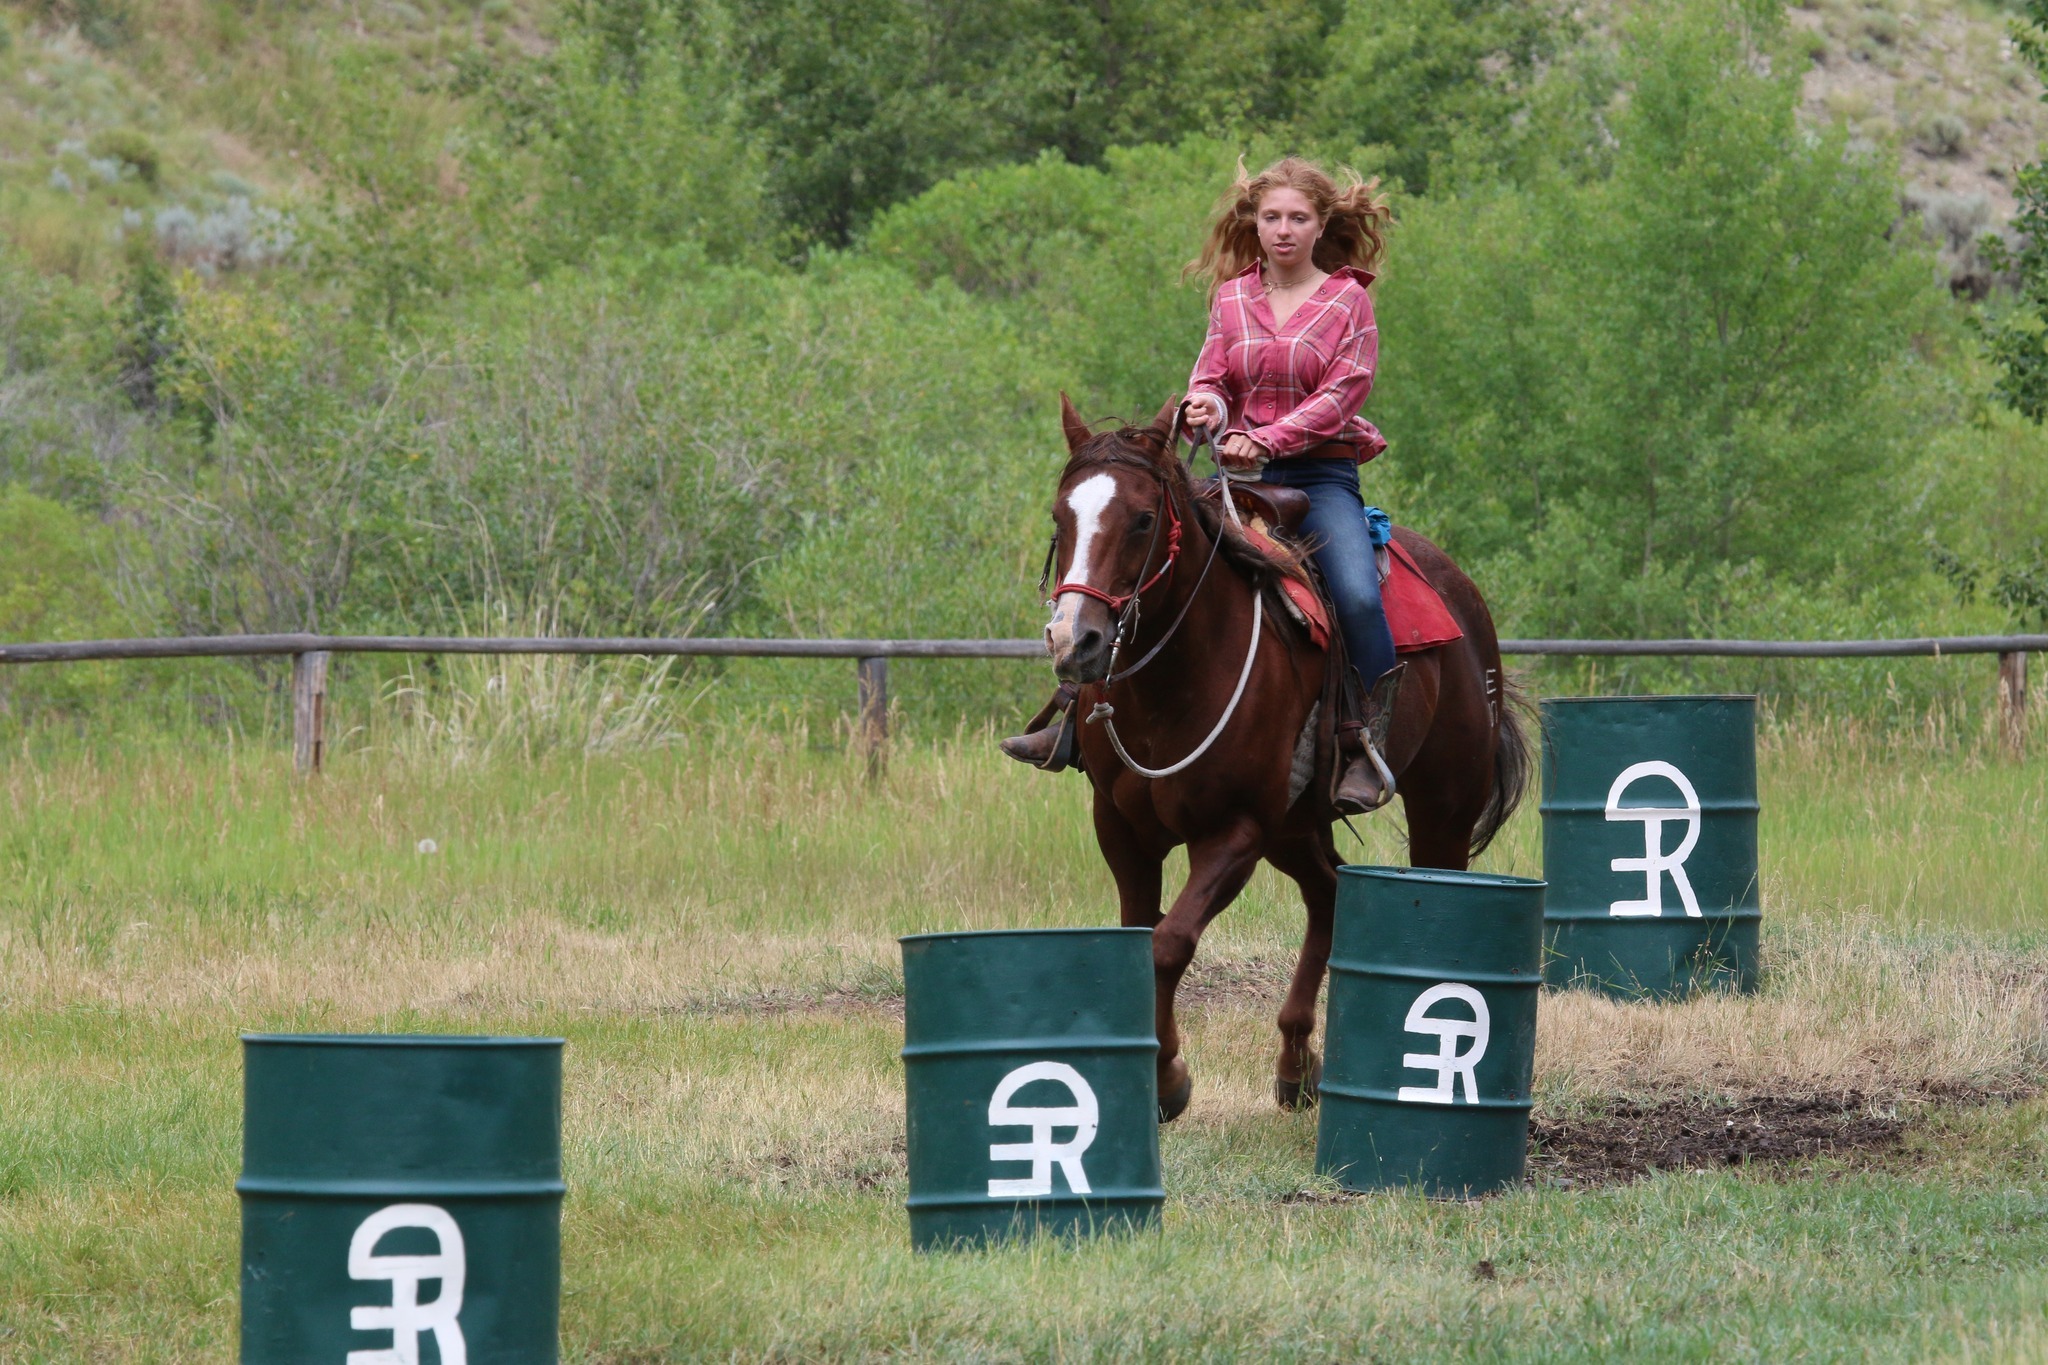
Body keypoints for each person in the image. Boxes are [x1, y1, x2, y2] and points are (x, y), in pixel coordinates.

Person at [1006, 155, 1405, 814]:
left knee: (1359, 596)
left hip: (1317, 476)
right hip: (1233, 475)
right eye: (1271, 216)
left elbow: (1343, 394)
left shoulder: (1348, 301)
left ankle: (1362, 738)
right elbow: (1211, 378)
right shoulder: (1232, 297)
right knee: (1142, 562)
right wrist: (1209, 411)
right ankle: (1074, 716)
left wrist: (1270, 438)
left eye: (1297, 218)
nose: (1282, 230)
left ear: (1319, 223)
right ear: (1255, 221)